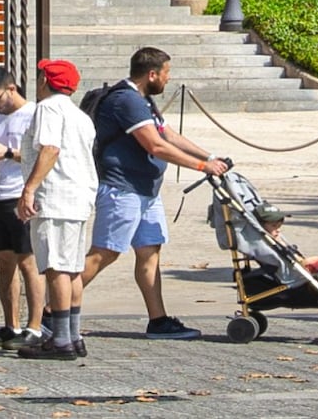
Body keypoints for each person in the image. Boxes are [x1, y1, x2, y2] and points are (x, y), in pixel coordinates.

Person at [75, 46, 231, 337]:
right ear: (152, 74)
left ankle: (158, 321)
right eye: (166, 73)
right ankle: (53, 313)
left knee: (149, 253)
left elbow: (168, 135)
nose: (168, 79)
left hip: (145, 191)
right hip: (122, 190)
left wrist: (211, 157)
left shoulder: (143, 100)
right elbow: (155, 145)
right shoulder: (126, 101)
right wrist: (201, 166)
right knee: (105, 253)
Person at [19, 59, 97, 358]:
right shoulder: (80, 116)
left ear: (44, 81)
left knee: (56, 268)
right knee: (73, 268)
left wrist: (29, 189)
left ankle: (62, 339)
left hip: (56, 196)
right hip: (78, 197)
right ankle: (73, 335)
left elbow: (50, 148)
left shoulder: (48, 108)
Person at [0, 58, 38, 352]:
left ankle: (35, 328)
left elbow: (44, 159)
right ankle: (10, 325)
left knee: (29, 262)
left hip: (22, 194)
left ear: (11, 88)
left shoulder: (33, 115)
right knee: (3, 263)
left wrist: (9, 152)